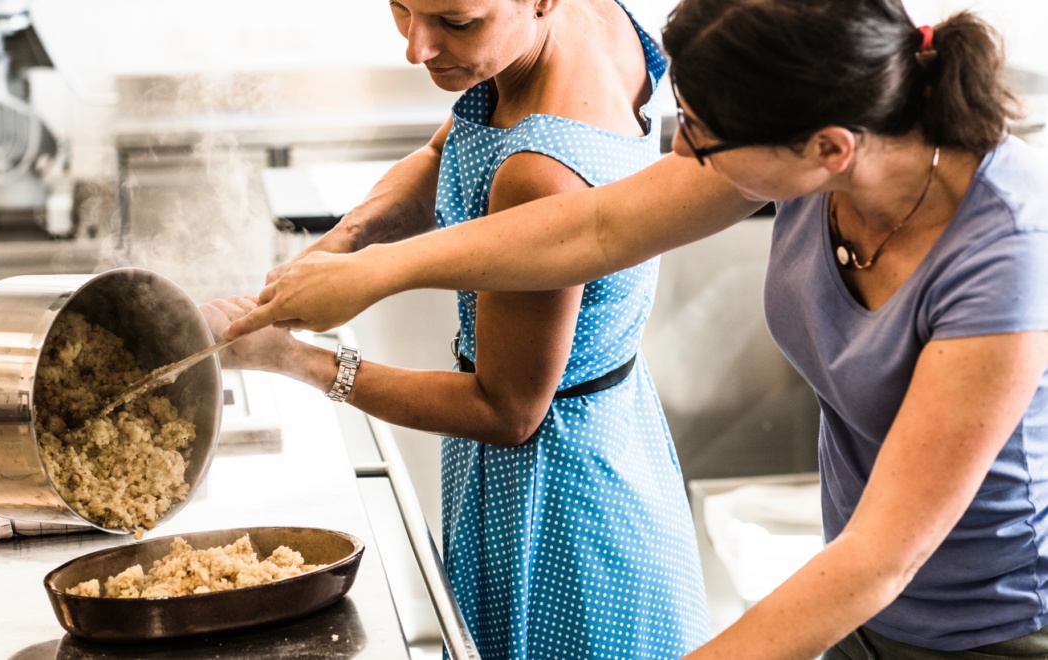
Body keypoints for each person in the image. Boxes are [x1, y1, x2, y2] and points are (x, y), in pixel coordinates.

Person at [223, 0, 1048, 657]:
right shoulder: (821, 135)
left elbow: (879, 557)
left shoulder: (1006, 257)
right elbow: (597, 227)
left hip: (990, 627)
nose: (680, 149)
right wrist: (371, 268)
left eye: (699, 137)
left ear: (827, 149)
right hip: (862, 606)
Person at [203, 0, 712, 657]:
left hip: (555, 511)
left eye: (455, 22)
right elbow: (446, 149)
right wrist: (340, 244)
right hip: (616, 442)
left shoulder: (541, 173)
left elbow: (505, 410)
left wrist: (297, 361)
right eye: (401, 8)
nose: (418, 48)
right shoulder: (583, 23)